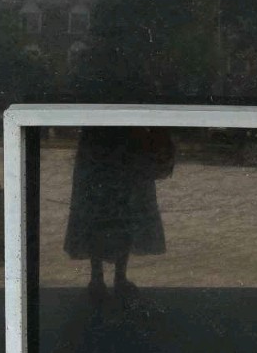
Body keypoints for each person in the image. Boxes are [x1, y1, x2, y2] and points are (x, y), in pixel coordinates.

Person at [64, 126, 174, 303]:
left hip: (116, 145)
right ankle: (105, 277)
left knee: (118, 211)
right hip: (111, 145)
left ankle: (108, 277)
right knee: (108, 210)